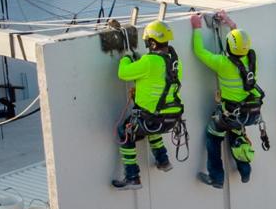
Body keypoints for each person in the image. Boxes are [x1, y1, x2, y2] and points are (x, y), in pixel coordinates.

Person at [190, 10, 264, 189]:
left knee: (213, 136)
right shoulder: (252, 58)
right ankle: (245, 171)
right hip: (249, 112)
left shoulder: (222, 63)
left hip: (230, 113)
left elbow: (199, 51)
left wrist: (197, 28)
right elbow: (240, 43)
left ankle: (216, 177)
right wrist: (230, 23)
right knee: (237, 136)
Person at [112, 21, 183, 190]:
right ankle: (163, 161)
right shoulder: (175, 62)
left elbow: (123, 73)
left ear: (152, 42)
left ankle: (132, 177)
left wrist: (127, 58)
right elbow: (155, 82)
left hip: (153, 117)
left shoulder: (149, 61)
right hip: (171, 117)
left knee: (125, 132)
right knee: (152, 127)